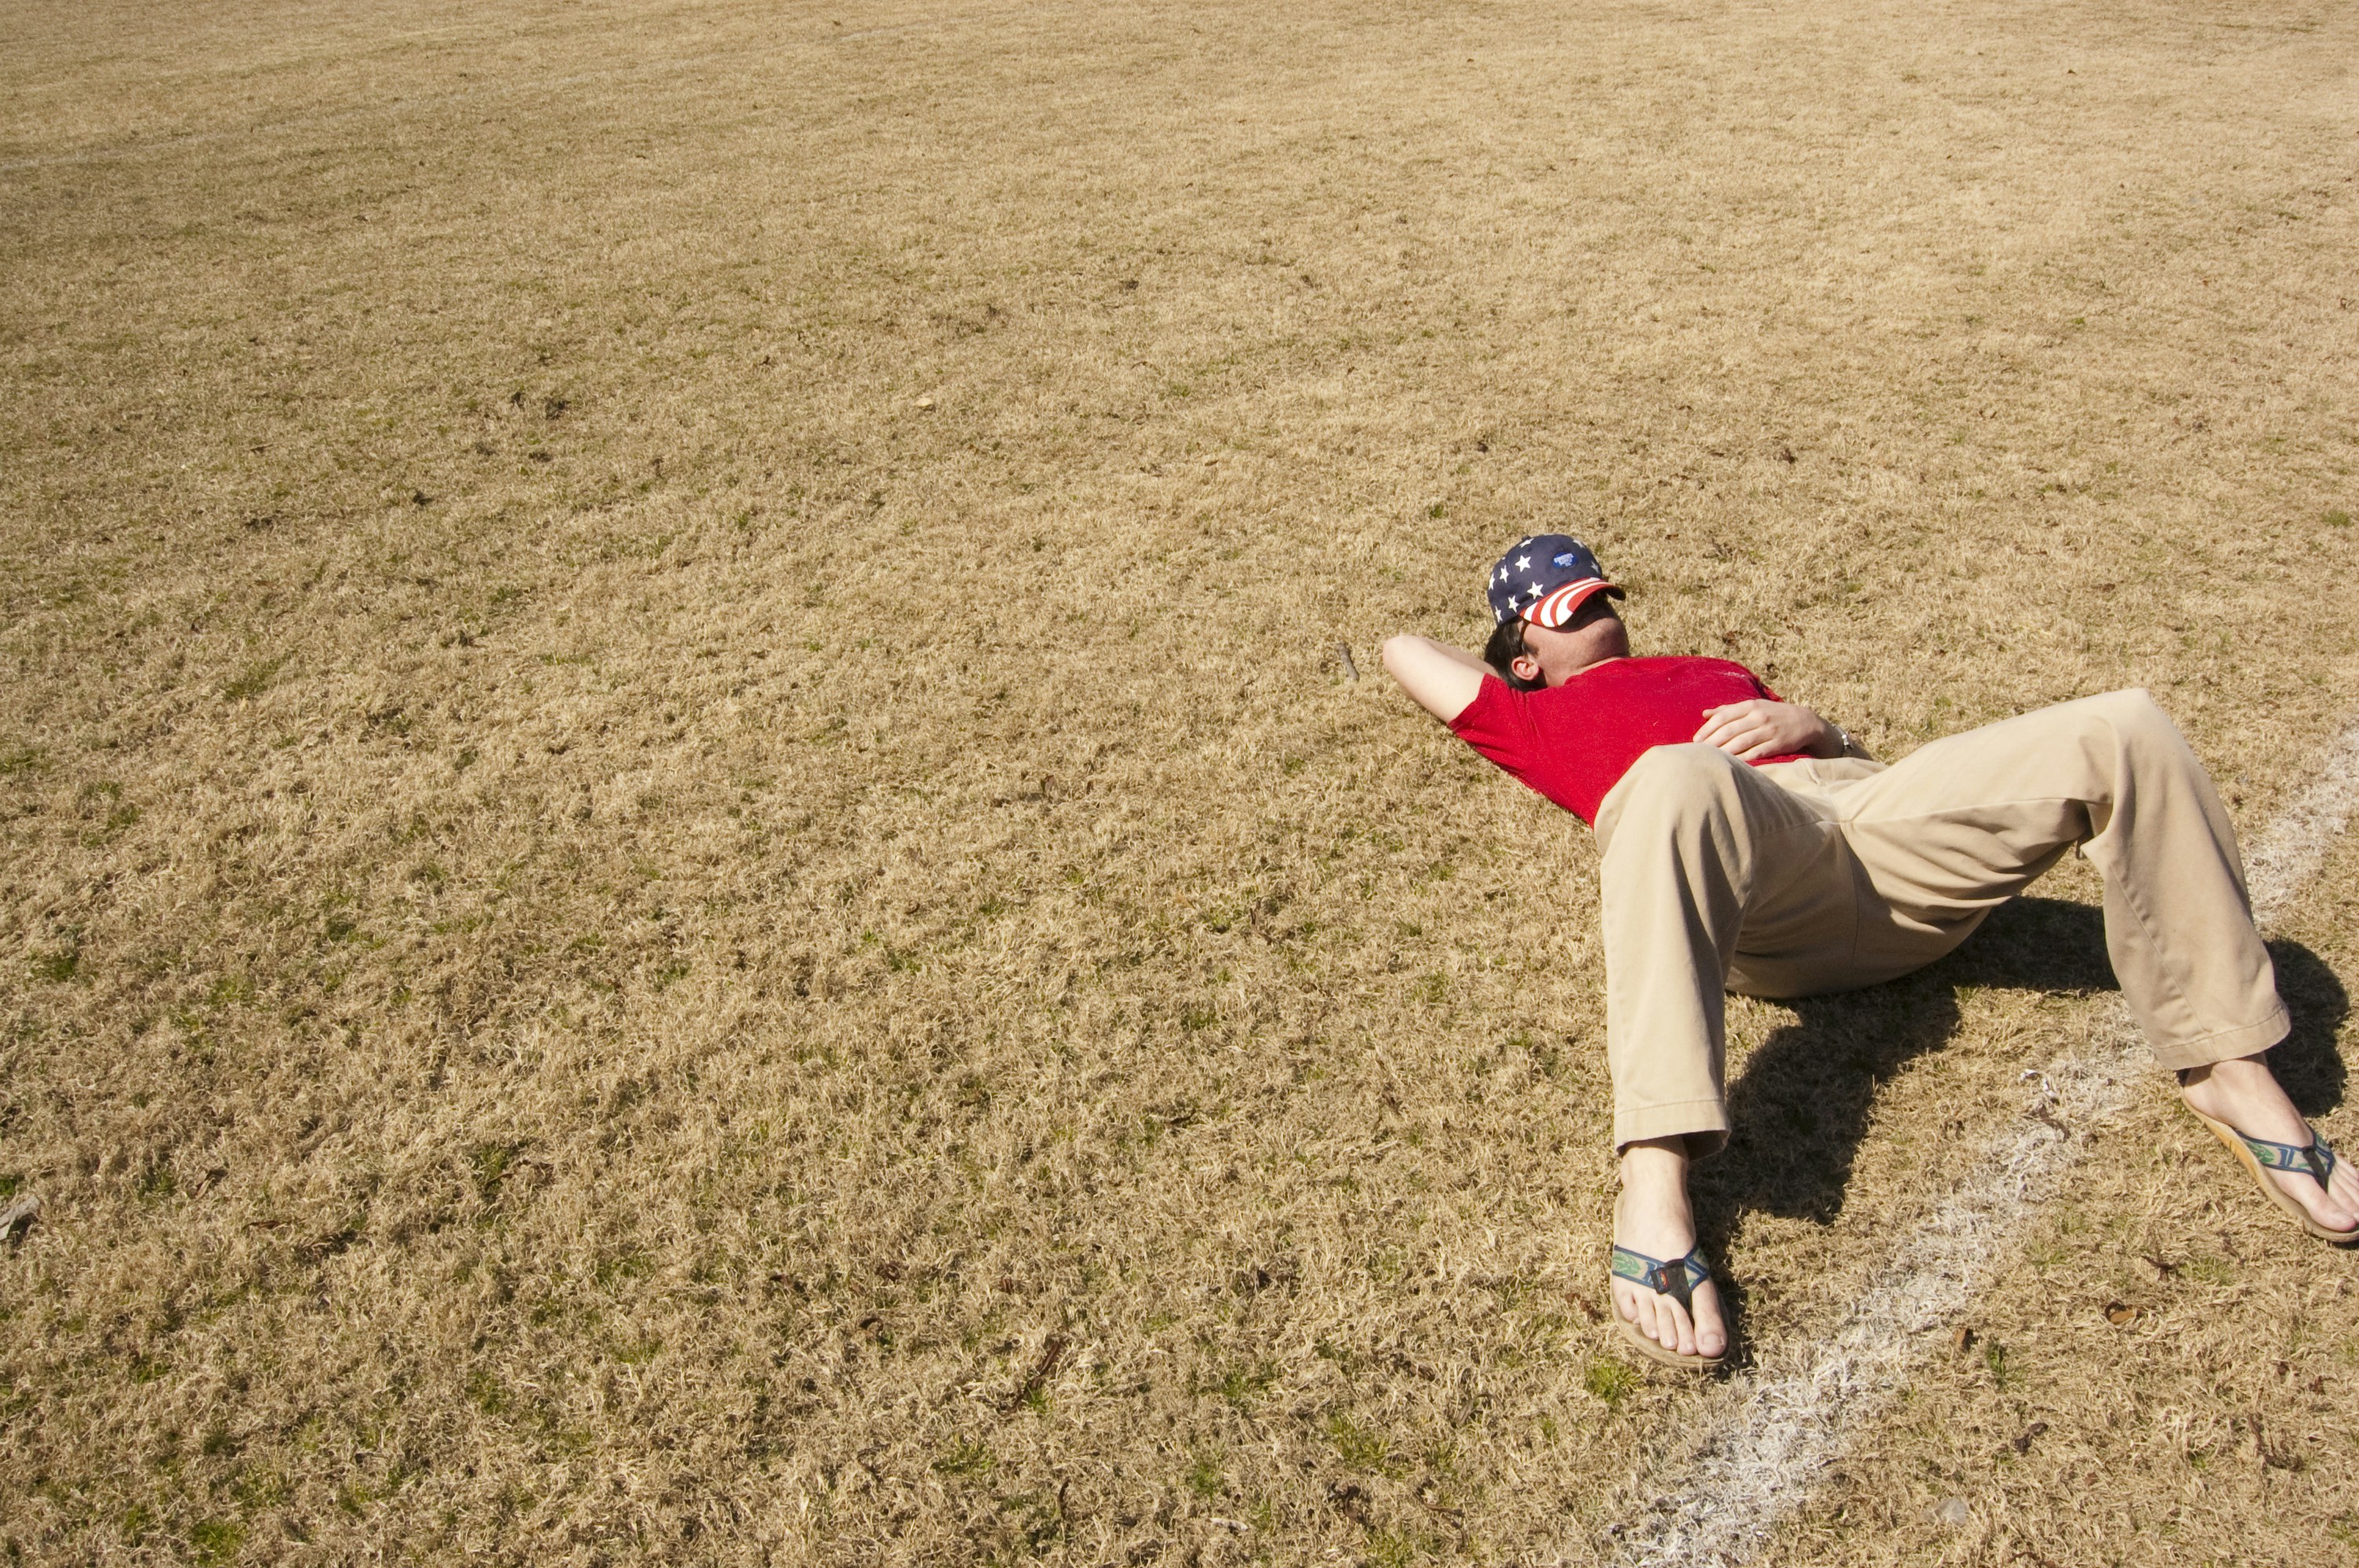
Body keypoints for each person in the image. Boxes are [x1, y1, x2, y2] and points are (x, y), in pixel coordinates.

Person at [1381, 535, 2359, 1370]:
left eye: (1598, 592)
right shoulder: (1529, 716)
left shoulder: (1714, 668)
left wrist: (1818, 725)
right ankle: (1654, 1170)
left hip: (1873, 826)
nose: (1596, 608)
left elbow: (1877, 774)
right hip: (1767, 878)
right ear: (1520, 653)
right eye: (1568, 606)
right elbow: (1402, 647)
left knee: (2123, 723)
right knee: (1673, 774)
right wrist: (1510, 643)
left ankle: (2229, 1059)